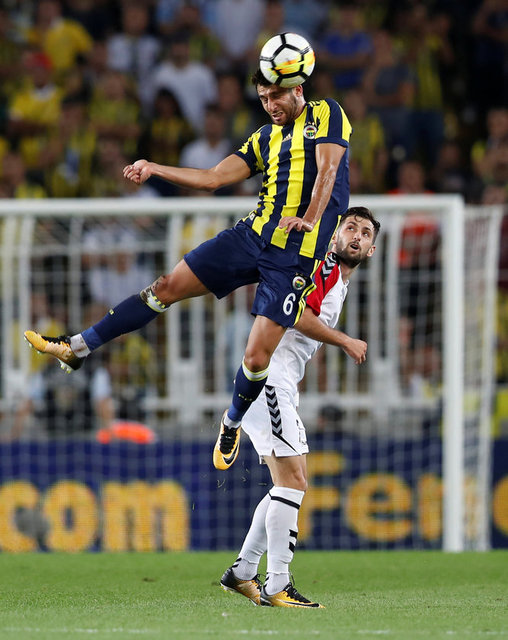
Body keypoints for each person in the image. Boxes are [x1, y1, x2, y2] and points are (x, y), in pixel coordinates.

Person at [24, 63, 352, 474]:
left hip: (294, 257)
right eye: (263, 99)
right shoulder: (265, 137)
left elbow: (328, 169)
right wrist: (155, 168)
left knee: (255, 358)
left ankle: (231, 422)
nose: (270, 105)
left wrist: (310, 217)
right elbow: (213, 177)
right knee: (164, 286)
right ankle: (76, 348)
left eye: (276, 96)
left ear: (297, 89)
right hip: (253, 236)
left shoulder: (327, 113)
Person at [220, 207, 379, 607]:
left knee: (288, 482)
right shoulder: (326, 268)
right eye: (350, 228)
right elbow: (297, 316)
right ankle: (277, 583)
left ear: (372, 249)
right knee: (293, 482)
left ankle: (242, 571)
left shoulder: (337, 278)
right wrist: (345, 340)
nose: (356, 236)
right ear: (335, 235)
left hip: (280, 382)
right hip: (269, 379)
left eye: (365, 233)